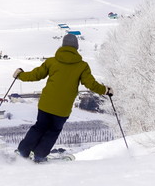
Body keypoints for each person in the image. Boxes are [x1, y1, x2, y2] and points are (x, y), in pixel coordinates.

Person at [13, 33, 110, 162]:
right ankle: (40, 156)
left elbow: (35, 75)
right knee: (53, 131)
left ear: (63, 45)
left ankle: (23, 151)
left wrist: (20, 75)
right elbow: (91, 84)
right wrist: (106, 90)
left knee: (39, 127)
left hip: (46, 104)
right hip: (62, 109)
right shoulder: (82, 66)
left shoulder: (52, 61)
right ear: (76, 47)